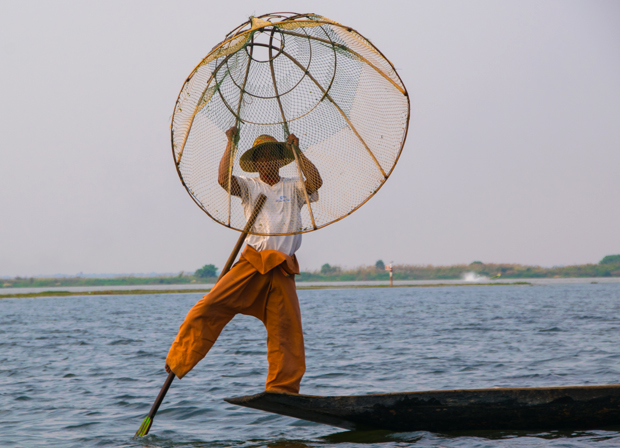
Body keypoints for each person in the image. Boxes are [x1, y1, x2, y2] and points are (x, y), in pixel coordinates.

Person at [164, 126, 322, 394]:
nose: (267, 161)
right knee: (210, 305)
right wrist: (230, 143)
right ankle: (178, 359)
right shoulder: (251, 186)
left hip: (282, 268)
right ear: (257, 163)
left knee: (287, 331)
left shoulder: (293, 187)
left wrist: (298, 151)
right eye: (262, 157)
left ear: (279, 160)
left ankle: (281, 389)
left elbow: (316, 183)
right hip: (252, 263)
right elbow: (224, 180)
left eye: (272, 156)